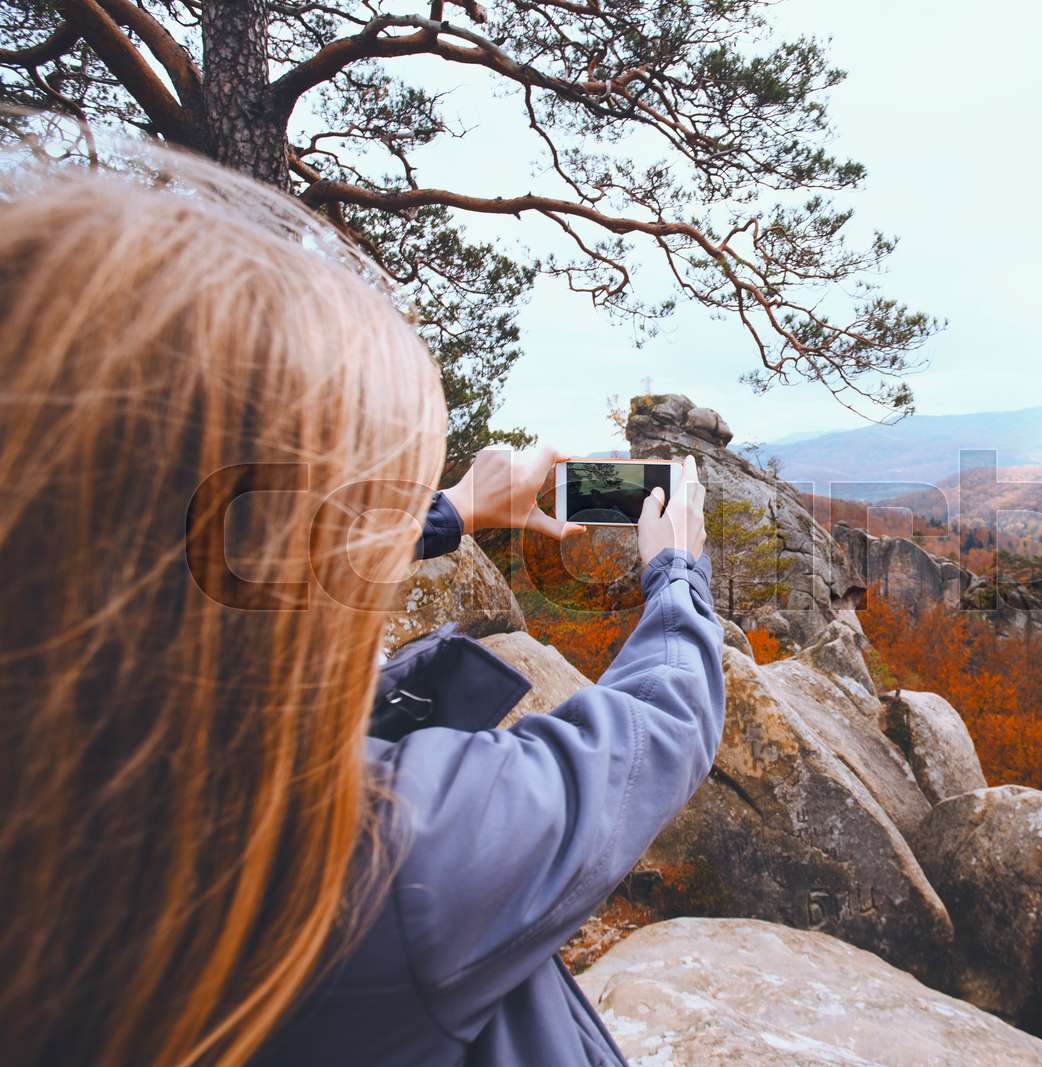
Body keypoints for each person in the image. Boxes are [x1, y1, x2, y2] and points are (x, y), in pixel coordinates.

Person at [0, 144, 724, 1067]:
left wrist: (453, 508)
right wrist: (677, 576)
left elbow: (210, 546)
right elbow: (658, 731)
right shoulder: (382, 855)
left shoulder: (64, 805)